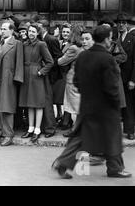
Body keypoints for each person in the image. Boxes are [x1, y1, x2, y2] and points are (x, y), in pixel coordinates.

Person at [52, 25, 132, 179]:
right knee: (113, 137)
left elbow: (76, 80)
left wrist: (87, 94)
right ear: (107, 39)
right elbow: (111, 87)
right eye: (110, 37)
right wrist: (115, 103)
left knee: (81, 137)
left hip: (87, 104)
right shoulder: (108, 59)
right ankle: (115, 168)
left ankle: (63, 163)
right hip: (106, 107)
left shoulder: (83, 56)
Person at [0, 21, 24, 146]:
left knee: (7, 106)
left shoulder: (16, 43)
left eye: (4, 29)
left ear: (11, 30)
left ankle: (8, 134)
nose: (2, 31)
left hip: (8, 79)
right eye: (1, 29)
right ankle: (1, 130)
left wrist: (17, 79)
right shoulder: (0, 43)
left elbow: (19, 62)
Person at [19, 23, 54, 143]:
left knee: (38, 104)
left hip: (36, 76)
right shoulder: (24, 44)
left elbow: (50, 62)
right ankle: (30, 128)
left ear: (38, 33)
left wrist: (41, 72)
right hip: (26, 76)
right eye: (30, 31)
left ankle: (37, 130)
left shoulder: (41, 44)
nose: (31, 33)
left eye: (34, 31)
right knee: (29, 103)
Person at [57, 25, 86, 137]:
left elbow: (61, 61)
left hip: (73, 78)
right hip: (83, 78)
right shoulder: (84, 47)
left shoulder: (74, 48)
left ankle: (76, 130)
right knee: (79, 106)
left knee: (74, 106)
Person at [38, 19, 63, 138]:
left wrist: (47, 67)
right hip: (42, 74)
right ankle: (44, 127)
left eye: (38, 25)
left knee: (48, 102)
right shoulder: (40, 39)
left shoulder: (51, 40)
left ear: (44, 27)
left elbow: (58, 58)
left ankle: (50, 128)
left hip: (49, 75)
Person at [116, 14, 135, 140]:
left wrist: (133, 79)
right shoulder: (114, 39)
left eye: (123, 22)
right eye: (119, 22)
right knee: (118, 104)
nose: (121, 24)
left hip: (128, 77)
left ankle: (130, 130)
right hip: (116, 76)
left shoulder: (132, 38)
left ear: (127, 24)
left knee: (129, 104)